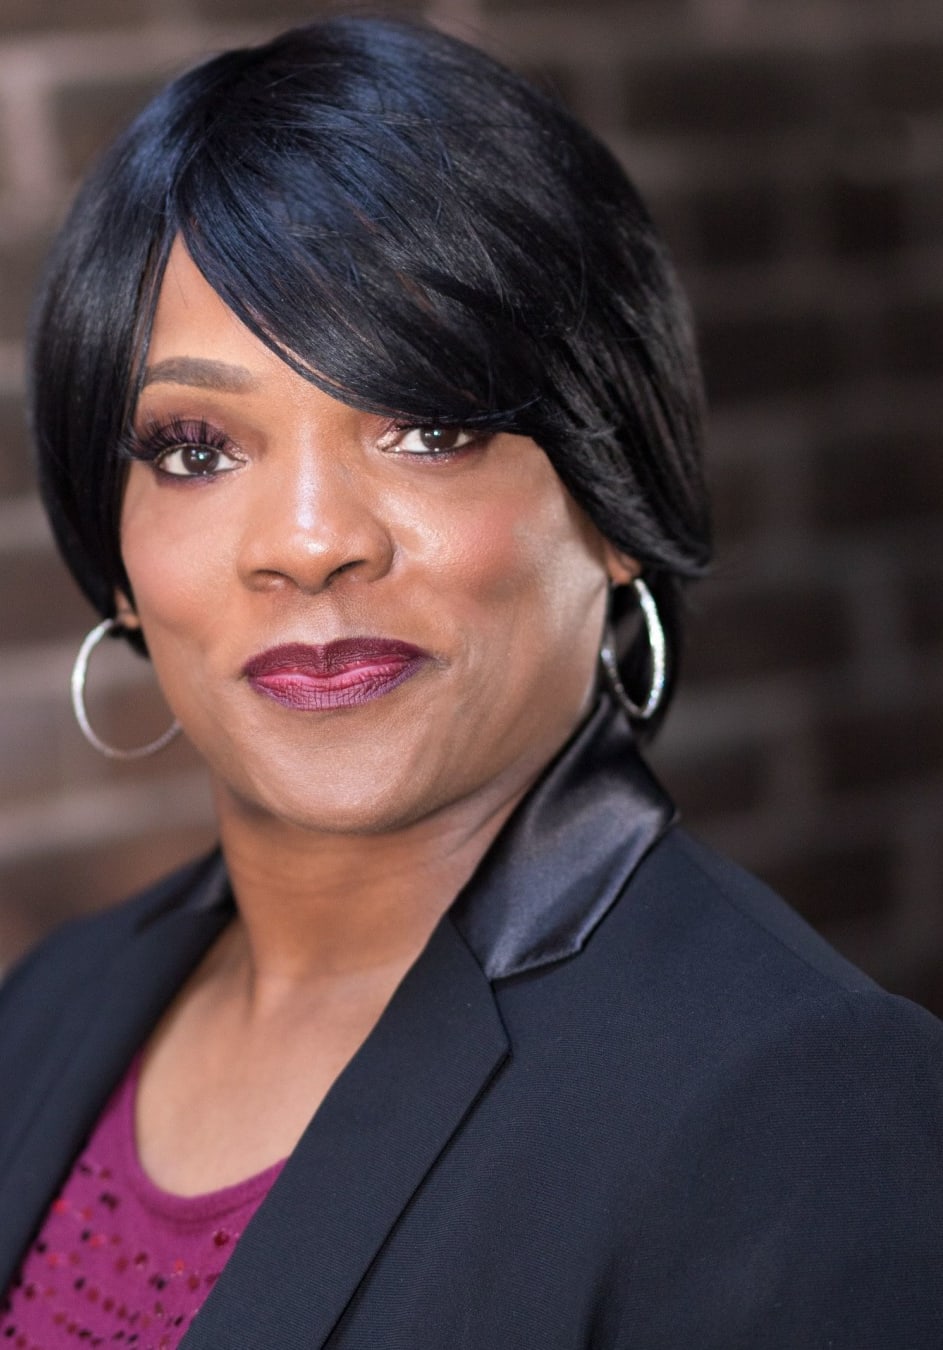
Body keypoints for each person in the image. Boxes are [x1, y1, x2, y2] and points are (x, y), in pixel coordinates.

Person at [0, 15, 940, 1348]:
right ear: (120, 565)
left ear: (614, 504)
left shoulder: (803, 1101)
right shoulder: (48, 1008)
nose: (311, 541)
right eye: (198, 448)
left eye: (429, 425)